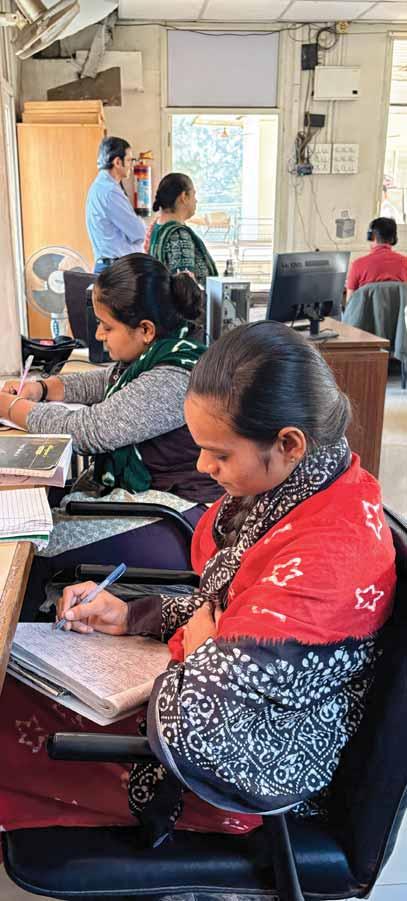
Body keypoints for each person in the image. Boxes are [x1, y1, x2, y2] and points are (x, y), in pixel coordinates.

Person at [0, 321, 396, 844]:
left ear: (289, 443)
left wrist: (202, 647)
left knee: (8, 724)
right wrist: (134, 614)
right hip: (221, 712)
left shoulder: (327, 559)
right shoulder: (312, 487)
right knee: (15, 688)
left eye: (221, 454)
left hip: (244, 772)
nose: (204, 466)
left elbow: (201, 729)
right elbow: (230, 611)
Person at [0, 254, 221, 613]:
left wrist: (10, 408)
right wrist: (42, 389)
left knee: (29, 546)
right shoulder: (161, 354)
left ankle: (29, 637)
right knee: (41, 515)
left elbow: (89, 431)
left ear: (145, 330)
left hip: (179, 518)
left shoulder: (174, 378)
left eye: (106, 326)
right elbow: (105, 380)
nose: (99, 335)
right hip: (155, 500)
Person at [145, 173, 218, 285]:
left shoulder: (157, 227)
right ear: (184, 197)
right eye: (194, 195)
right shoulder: (178, 234)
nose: (196, 201)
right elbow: (185, 287)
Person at [86, 137, 145, 273]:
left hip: (110, 266)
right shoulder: (110, 191)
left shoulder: (101, 186)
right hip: (116, 269)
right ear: (118, 162)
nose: (132, 165)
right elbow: (139, 233)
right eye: (129, 160)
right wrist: (140, 222)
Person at [346, 216, 407, 300]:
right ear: (393, 239)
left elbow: (350, 302)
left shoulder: (358, 265)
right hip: (399, 309)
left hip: (366, 309)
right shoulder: (405, 262)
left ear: (371, 236)